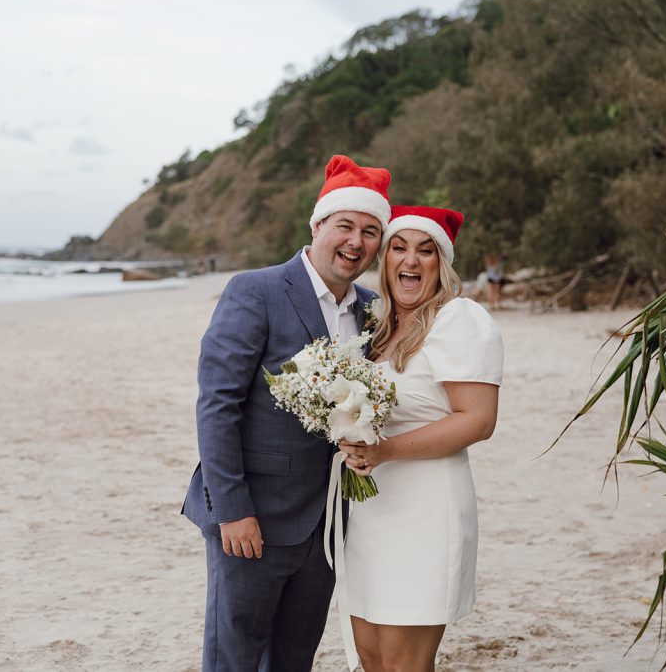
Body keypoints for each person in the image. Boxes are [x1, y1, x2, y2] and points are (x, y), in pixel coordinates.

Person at [181, 155, 391, 672]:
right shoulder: (257, 290)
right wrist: (232, 509)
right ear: (317, 225)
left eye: (370, 231)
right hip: (254, 517)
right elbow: (217, 403)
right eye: (345, 226)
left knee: (296, 656)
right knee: (235, 656)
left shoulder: (371, 308)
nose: (356, 242)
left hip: (327, 524)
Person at [339, 205, 504, 671]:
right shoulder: (378, 326)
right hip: (372, 512)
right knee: (369, 655)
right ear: (384, 259)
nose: (411, 260)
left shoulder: (459, 319)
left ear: (441, 262)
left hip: (426, 511)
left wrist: (385, 450)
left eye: (425, 250)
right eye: (399, 247)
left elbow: (478, 420)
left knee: (403, 662)